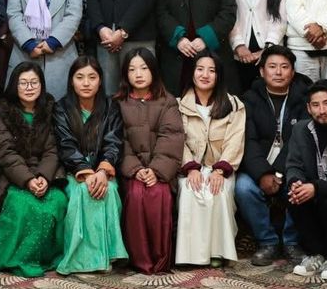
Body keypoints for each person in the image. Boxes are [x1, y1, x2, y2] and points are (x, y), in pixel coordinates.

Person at [0, 62, 68, 277]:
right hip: (13, 176)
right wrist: (28, 180)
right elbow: (6, 153)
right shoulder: (2, 112)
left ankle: (46, 258)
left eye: (34, 82)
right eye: (23, 83)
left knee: (57, 201)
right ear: (14, 85)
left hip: (46, 174)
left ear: (42, 85)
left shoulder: (50, 110)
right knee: (24, 205)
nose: (29, 87)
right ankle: (16, 257)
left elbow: (52, 150)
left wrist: (43, 177)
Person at [52, 56, 128, 274]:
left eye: (92, 77)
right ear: (71, 81)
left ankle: (107, 255)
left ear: (100, 80)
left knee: (109, 190)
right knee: (82, 192)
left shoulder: (111, 107)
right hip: (72, 172)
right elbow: (65, 145)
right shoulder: (61, 108)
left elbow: (114, 142)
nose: (86, 83)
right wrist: (85, 172)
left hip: (104, 171)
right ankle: (82, 259)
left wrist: (103, 170)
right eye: (80, 77)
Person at [236, 45, 309, 264]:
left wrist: (277, 173)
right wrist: (262, 174)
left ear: (292, 72)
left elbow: (300, 141)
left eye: (284, 67)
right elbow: (248, 141)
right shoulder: (249, 99)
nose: (278, 72)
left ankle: (291, 242)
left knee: (300, 186)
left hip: (292, 166)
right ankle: (267, 241)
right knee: (243, 187)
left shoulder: (304, 99)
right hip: (257, 167)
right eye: (272, 66)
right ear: (262, 71)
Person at [116, 48, 184, 275]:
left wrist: (155, 170)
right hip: (131, 170)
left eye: (144, 68)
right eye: (132, 69)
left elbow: (171, 138)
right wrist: (135, 169)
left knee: (158, 194)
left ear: (153, 70)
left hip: (161, 171)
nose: (138, 74)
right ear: (125, 74)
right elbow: (119, 141)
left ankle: (161, 259)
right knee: (136, 195)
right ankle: (139, 260)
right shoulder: (118, 103)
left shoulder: (167, 102)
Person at [175, 52, 246, 267]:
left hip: (221, 167)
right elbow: (177, 140)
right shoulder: (178, 106)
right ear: (192, 73)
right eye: (200, 69)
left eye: (212, 70)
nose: (205, 75)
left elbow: (235, 140)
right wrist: (191, 168)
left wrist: (220, 170)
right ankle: (190, 255)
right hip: (190, 167)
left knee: (218, 190)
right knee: (191, 189)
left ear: (219, 75)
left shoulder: (234, 105)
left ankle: (217, 251)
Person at [283, 81, 327, 280]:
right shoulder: (300, 129)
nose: (322, 110)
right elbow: (293, 164)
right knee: (293, 195)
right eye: (315, 105)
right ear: (308, 108)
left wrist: (316, 187)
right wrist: (296, 182)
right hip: (310, 187)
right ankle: (315, 254)